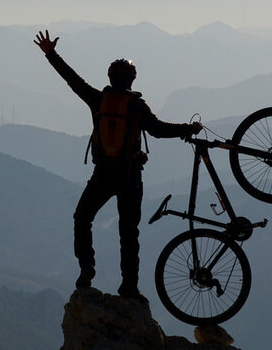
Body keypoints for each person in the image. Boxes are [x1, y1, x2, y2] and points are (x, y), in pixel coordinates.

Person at [34, 30, 201, 299]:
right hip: (130, 176)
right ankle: (129, 286)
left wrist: (50, 53)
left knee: (82, 218)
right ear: (133, 80)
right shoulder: (137, 106)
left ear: (110, 77)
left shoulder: (97, 99)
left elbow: (72, 80)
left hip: (102, 173)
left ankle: (87, 268)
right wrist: (188, 129)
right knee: (128, 232)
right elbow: (158, 130)